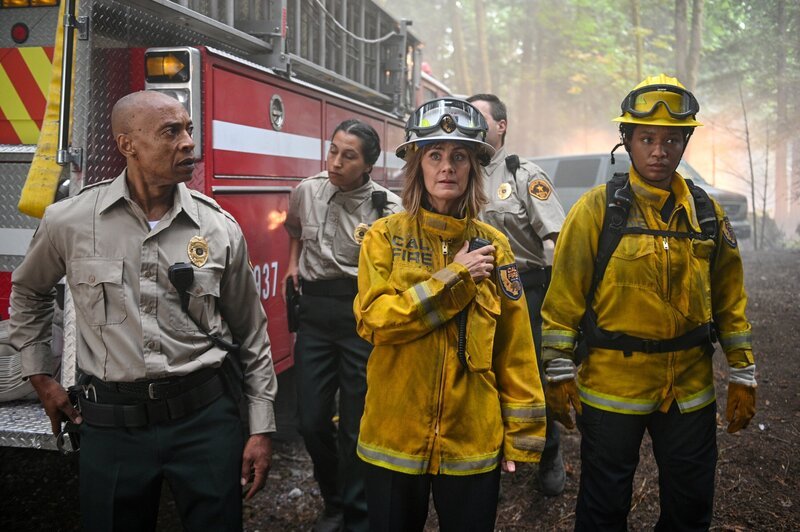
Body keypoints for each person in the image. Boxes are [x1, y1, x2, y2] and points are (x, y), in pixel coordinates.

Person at [9, 90, 278, 531]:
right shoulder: (70, 221)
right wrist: (40, 377)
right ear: (127, 144)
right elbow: (28, 293)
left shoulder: (218, 227)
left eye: (188, 129)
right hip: (111, 427)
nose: (188, 142)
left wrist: (261, 426)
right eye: (171, 132)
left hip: (204, 422)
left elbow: (251, 331)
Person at [540, 74, 757, 530]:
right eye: (647, 139)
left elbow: (729, 296)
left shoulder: (706, 213)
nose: (659, 151)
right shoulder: (596, 211)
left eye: (671, 140)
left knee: (690, 507)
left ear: (684, 143)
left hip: (689, 390)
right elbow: (563, 298)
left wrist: (743, 370)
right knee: (604, 508)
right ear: (627, 141)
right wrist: (557, 369)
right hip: (612, 386)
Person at [353, 97, 547, 531]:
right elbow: (374, 322)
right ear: (417, 166)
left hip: (471, 441)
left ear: (474, 167)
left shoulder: (495, 245)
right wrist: (453, 276)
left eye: (459, 156)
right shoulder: (384, 237)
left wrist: (522, 435)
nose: (447, 167)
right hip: (393, 441)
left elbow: (515, 344)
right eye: (435, 155)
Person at [283, 119, 402, 532]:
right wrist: (292, 263)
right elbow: (294, 229)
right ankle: (333, 499)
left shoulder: (388, 208)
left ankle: (355, 513)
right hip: (315, 316)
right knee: (310, 419)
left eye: (348, 156)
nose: (335, 162)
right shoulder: (307, 190)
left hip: (360, 318)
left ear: (368, 164)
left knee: (355, 425)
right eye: (333, 150)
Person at [467, 93, 568, 495]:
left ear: (502, 125)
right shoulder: (457, 171)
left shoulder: (524, 175)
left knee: (531, 376)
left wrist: (564, 299)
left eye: (480, 118)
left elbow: (558, 237)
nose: (473, 125)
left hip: (524, 288)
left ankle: (549, 452)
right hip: (472, 288)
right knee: (479, 371)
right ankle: (491, 455)